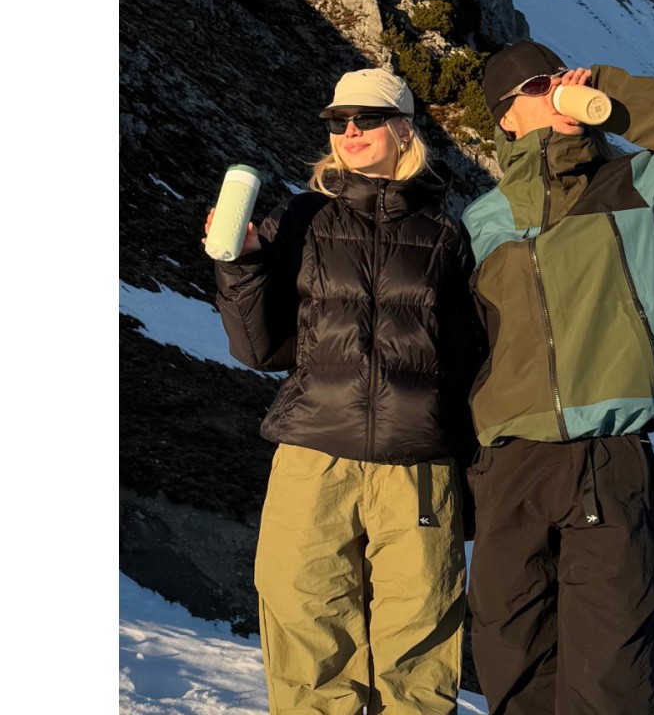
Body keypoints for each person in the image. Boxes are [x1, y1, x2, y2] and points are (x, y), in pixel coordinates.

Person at [460, 40, 654, 715]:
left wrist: (612, 95)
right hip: (509, 470)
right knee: (513, 661)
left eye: (554, 77)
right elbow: (467, 351)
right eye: (536, 87)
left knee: (610, 675)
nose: (552, 90)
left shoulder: (637, 188)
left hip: (606, 460)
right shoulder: (482, 222)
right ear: (506, 118)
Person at [204, 68, 485, 715]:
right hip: (313, 457)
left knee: (417, 653)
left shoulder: (447, 234)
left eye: (366, 118)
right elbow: (258, 349)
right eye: (337, 121)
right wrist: (241, 265)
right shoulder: (302, 218)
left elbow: (472, 361)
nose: (349, 131)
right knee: (307, 637)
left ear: (404, 129)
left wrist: (473, 472)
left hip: (417, 469)